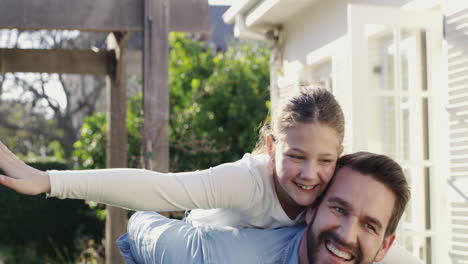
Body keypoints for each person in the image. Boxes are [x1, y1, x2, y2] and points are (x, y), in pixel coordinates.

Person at [0, 87, 344, 229]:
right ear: (271, 147)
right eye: (297, 156)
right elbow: (161, 189)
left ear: (339, 156)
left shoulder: (342, 186)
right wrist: (49, 180)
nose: (310, 174)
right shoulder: (248, 182)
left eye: (326, 160)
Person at [116, 152, 414, 264]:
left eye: (370, 226)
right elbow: (141, 226)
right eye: (338, 209)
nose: (347, 235)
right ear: (311, 209)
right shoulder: (219, 257)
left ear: (384, 247)